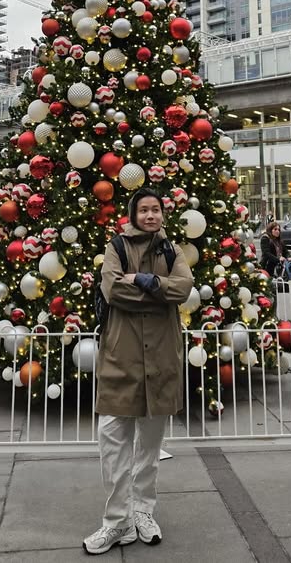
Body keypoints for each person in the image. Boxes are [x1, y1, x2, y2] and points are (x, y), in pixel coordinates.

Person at [83, 188, 194, 555]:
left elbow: (184, 288)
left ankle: (143, 513)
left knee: (149, 449)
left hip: (161, 360)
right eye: (144, 209)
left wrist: (145, 282)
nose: (150, 215)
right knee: (112, 443)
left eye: (156, 209)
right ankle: (117, 522)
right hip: (122, 359)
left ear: (163, 214)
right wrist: (157, 293)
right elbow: (113, 290)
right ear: (133, 214)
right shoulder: (117, 247)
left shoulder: (172, 250)